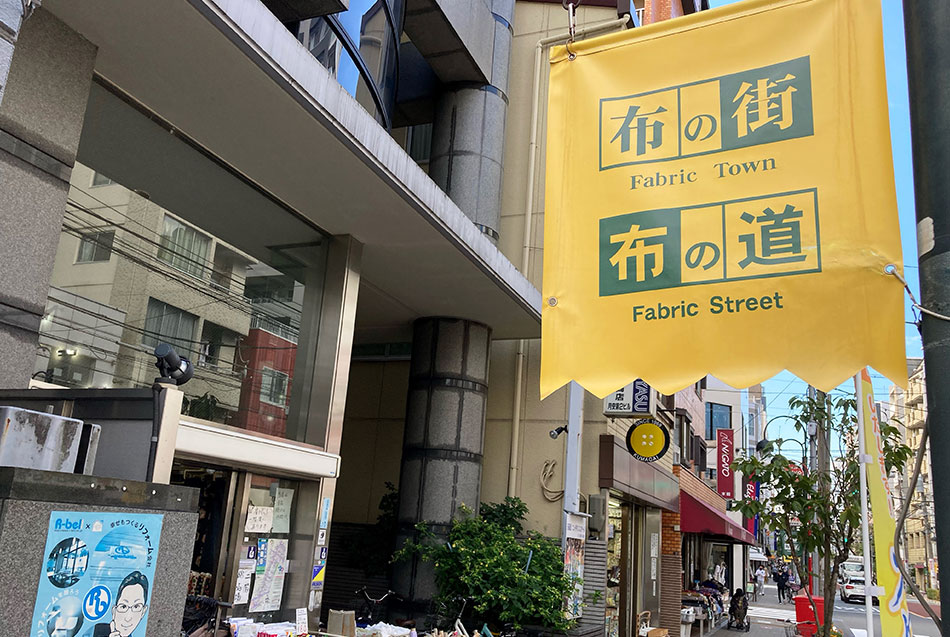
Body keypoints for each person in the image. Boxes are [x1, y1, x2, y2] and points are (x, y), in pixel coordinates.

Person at [93, 571, 150, 637]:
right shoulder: (96, 631)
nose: (128, 618)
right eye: (123, 607)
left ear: (143, 612)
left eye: (136, 607)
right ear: (114, 611)